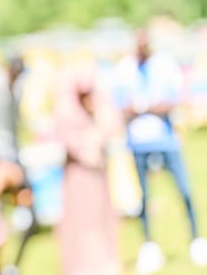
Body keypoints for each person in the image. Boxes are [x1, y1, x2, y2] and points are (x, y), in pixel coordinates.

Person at [114, 29, 207, 273]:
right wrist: (141, 107)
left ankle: (196, 240)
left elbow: (174, 99)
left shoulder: (164, 65)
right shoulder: (124, 69)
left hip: (166, 140)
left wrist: (146, 107)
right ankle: (149, 246)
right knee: (143, 197)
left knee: (184, 191)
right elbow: (121, 106)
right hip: (138, 143)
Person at [53, 66, 122, 275]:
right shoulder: (67, 111)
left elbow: (112, 126)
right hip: (78, 177)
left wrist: (97, 121)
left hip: (98, 177)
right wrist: (91, 142)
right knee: (80, 225)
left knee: (101, 221)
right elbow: (75, 145)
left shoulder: (98, 108)